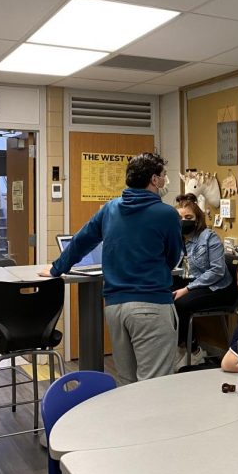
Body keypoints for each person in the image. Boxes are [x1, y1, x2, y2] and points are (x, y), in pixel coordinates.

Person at [43, 152, 182, 386]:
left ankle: (128, 423)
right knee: (156, 384)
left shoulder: (110, 209)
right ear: (154, 180)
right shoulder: (167, 214)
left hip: (115, 308)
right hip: (151, 305)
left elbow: (81, 241)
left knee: (127, 382)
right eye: (164, 176)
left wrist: (56, 269)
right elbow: (173, 257)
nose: (166, 181)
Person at [172, 193, 237, 368]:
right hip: (195, 283)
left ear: (197, 219)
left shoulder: (209, 237)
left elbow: (217, 271)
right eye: (179, 217)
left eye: (188, 217)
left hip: (219, 288)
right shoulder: (177, 240)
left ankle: (192, 350)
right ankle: (178, 347)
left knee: (181, 303)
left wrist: (188, 289)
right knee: (165, 298)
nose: (183, 221)